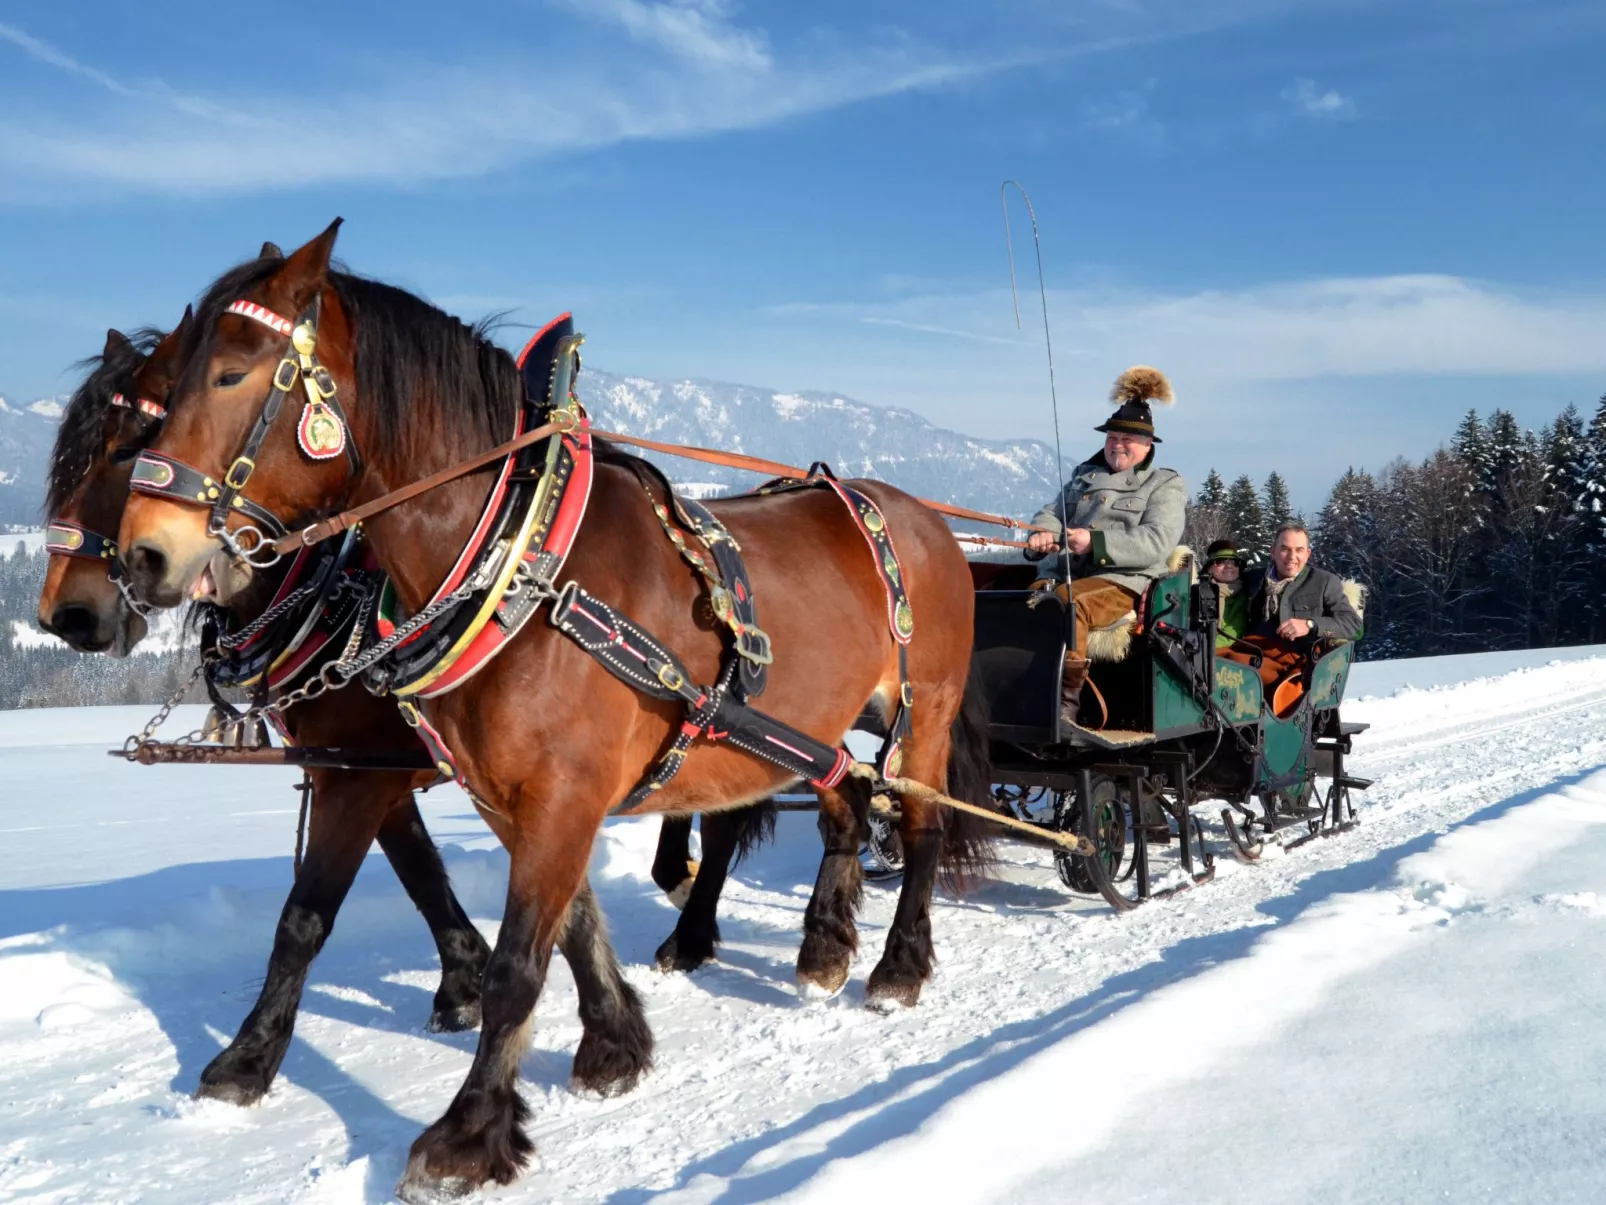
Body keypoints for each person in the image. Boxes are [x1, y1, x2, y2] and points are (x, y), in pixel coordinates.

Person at [1026, 366, 1186, 726]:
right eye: (1112, 437)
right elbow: (1053, 513)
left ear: (1147, 446)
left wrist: (1094, 542)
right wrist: (1041, 534)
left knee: (1067, 605)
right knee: (1026, 603)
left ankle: (1064, 707)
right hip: (1070, 574)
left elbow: (1157, 541)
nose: (1117, 445)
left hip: (1125, 581)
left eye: (1127, 440)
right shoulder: (1084, 476)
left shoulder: (1164, 485)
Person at [1224, 520, 1362, 709]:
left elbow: (1354, 626)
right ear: (1273, 551)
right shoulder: (1253, 579)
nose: (1291, 557)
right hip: (1250, 650)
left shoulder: (1324, 582)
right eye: (1285, 549)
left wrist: (1310, 625)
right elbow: (1222, 587)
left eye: (1299, 550)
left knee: (1240, 672)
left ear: (1307, 554)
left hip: (1295, 661)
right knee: (1214, 663)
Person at [1203, 537, 1251, 648]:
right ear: (1209, 568)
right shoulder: (1197, 591)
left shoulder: (1244, 595)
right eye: (1221, 561)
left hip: (1220, 651)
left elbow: (1234, 632)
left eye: (1234, 562)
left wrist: (1205, 646)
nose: (1229, 566)